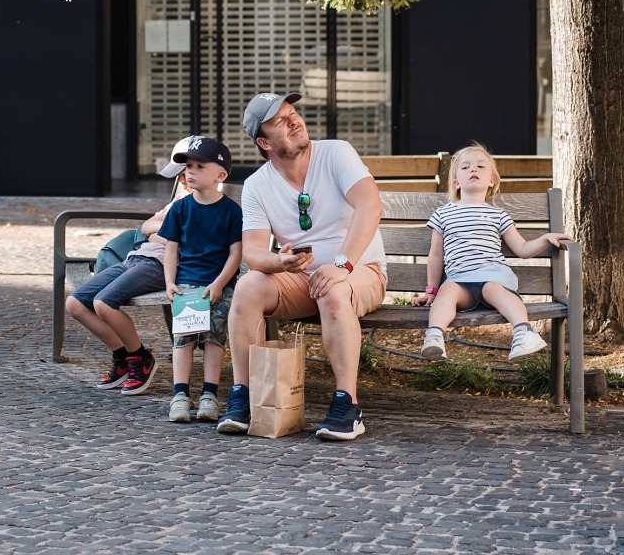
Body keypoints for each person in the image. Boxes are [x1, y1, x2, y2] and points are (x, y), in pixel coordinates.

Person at [220, 92, 385, 441]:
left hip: (360, 270)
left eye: (293, 113)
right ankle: (244, 396)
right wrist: (280, 261)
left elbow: (370, 205)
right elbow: (253, 252)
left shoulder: (336, 153)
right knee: (249, 286)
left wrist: (342, 265)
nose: (294, 120)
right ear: (264, 142)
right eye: (281, 120)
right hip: (301, 278)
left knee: (333, 291)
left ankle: (348, 405)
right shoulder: (257, 185)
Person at [412, 144, 573, 361]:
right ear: (456, 182)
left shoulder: (498, 215)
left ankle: (524, 332)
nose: (473, 170)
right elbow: (436, 256)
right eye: (466, 167)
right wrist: (431, 290)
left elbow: (522, 249)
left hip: (493, 276)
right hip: (460, 281)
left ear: (491, 181)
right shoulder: (443, 214)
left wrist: (545, 239)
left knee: (492, 289)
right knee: (447, 291)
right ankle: (434, 336)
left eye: (480, 166)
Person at [66, 136, 198, 396]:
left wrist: (161, 234)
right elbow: (146, 227)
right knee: (75, 303)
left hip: (160, 265)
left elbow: (185, 240)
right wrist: (165, 232)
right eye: (179, 176)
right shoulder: (177, 202)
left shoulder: (202, 206)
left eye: (185, 173)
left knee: (103, 303)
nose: (181, 180)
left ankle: (140, 358)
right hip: (135, 258)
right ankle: (123, 355)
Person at [158, 136, 243, 424]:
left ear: (221, 175)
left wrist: (219, 284)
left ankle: (209, 394)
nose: (189, 172)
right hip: (186, 286)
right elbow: (171, 248)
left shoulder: (232, 211)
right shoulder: (181, 208)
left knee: (213, 338)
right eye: (188, 166)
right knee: (182, 340)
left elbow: (235, 253)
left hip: (218, 286)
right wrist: (170, 282)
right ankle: (180, 395)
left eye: (199, 166)